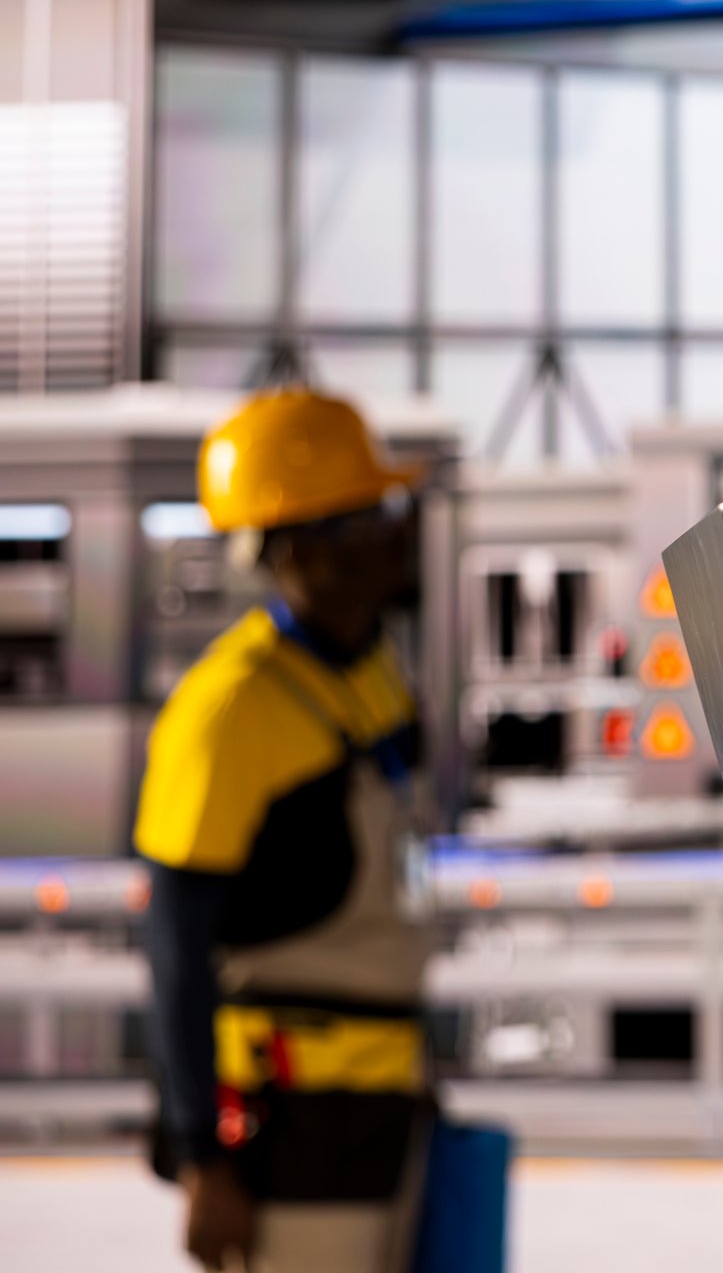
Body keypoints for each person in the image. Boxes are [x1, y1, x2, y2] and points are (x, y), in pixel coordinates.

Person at [136, 388, 432, 1272]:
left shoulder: (375, 670)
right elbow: (174, 945)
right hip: (289, 1124)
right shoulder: (227, 711)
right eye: (373, 514)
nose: (402, 531)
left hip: (384, 1101)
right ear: (303, 546)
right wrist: (201, 1158)